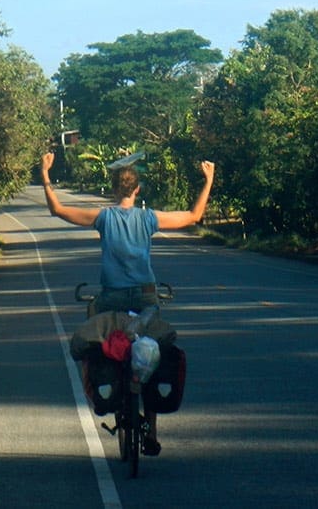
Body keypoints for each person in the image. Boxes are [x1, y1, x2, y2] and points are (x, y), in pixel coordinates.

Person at [40, 151, 215, 456]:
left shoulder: (103, 217)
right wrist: (208, 180)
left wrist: (45, 174)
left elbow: (56, 209)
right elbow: (193, 216)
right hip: (146, 296)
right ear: (137, 190)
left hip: (111, 298)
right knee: (150, 353)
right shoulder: (149, 218)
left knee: (95, 328)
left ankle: (104, 388)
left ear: (113, 189)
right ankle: (152, 429)